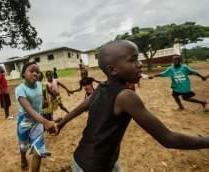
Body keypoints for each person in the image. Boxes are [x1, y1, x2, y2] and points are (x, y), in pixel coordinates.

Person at [54, 40, 209, 172]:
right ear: (113, 70)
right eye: (133, 60)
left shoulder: (102, 87)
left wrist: (61, 122)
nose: (140, 64)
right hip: (94, 167)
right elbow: (168, 138)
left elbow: (79, 108)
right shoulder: (126, 96)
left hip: (87, 161)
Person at [15, 62, 56, 171]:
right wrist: (46, 122)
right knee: (23, 146)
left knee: (39, 151)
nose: (35, 73)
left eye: (37, 72)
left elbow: (39, 101)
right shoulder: (20, 89)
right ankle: (23, 158)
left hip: (38, 122)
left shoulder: (39, 85)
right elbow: (29, 110)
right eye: (31, 71)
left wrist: (45, 102)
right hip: (24, 122)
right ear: (23, 74)